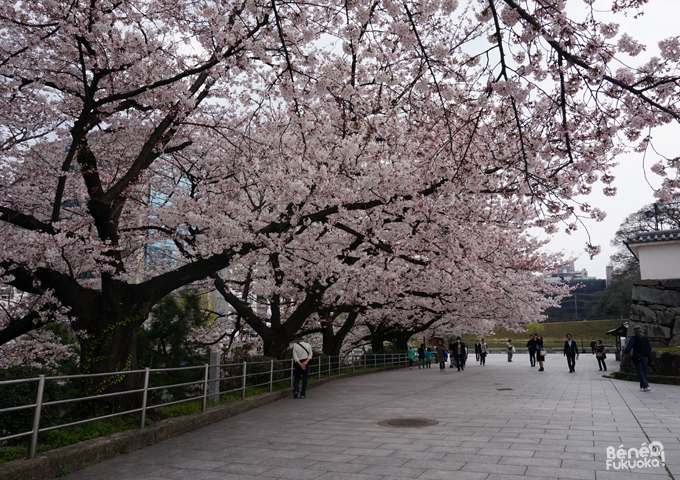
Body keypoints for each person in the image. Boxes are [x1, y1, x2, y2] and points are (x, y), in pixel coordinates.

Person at [624, 325, 652, 392]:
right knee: (644, 371)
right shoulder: (646, 338)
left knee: (639, 371)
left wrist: (626, 353)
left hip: (637, 357)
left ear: (634, 332)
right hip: (645, 357)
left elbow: (629, 347)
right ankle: (642, 387)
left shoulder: (633, 338)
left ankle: (646, 385)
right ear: (641, 331)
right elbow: (650, 348)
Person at [291, 333, 313, 399]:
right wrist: (305, 363)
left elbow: (295, 357)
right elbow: (310, 355)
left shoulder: (295, 346)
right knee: (305, 378)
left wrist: (300, 364)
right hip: (306, 363)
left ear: (298, 339)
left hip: (298, 363)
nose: (295, 340)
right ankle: (303, 393)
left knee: (296, 377)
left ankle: (296, 390)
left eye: (295, 339)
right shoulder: (308, 345)